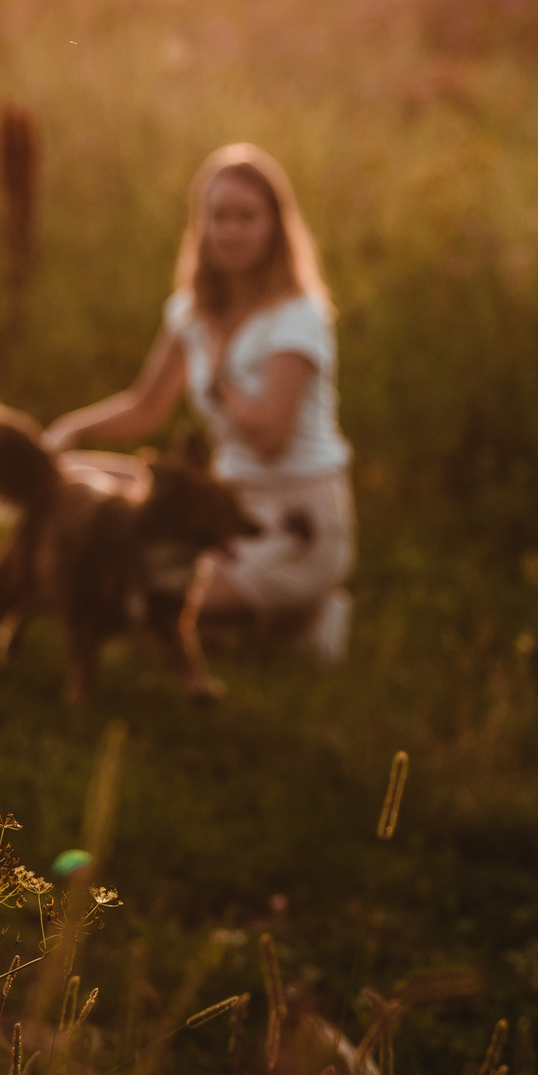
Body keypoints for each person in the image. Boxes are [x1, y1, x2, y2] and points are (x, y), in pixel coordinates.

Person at [43, 143, 354, 692]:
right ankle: (256, 621)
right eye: (219, 217)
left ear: (275, 226)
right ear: (201, 225)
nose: (231, 231)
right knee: (71, 481)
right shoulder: (192, 310)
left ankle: (305, 614)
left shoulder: (298, 317)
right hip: (219, 501)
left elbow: (271, 436)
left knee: (141, 601)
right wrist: (70, 431)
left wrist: (221, 376)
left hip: (292, 515)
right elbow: (146, 406)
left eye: (246, 217)